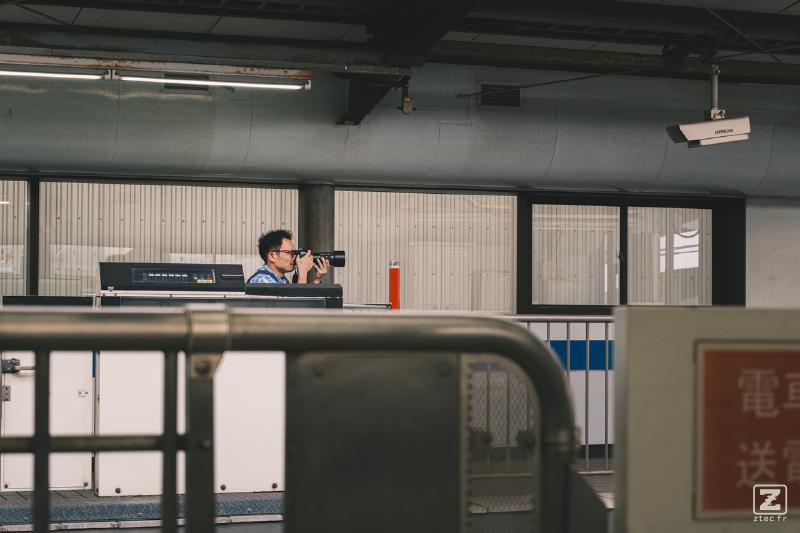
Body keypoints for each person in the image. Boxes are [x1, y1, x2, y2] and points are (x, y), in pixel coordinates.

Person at [248, 229, 329, 284]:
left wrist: (317, 279)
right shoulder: (263, 280)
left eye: (295, 253)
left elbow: (301, 300)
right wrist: (303, 272)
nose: (294, 257)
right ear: (272, 256)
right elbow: (295, 306)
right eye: (290, 253)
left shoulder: (281, 280)